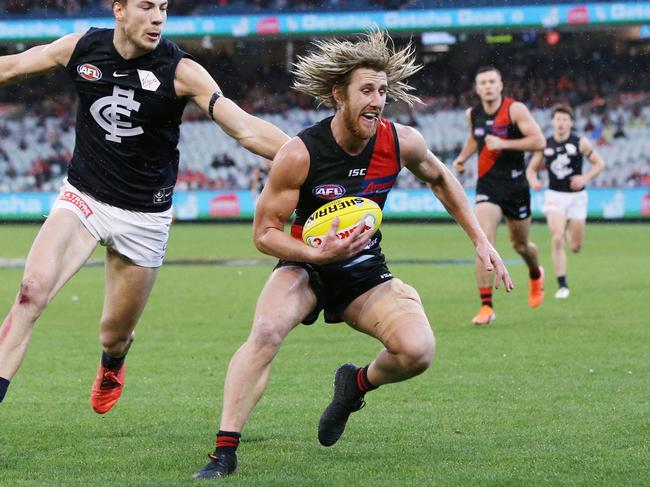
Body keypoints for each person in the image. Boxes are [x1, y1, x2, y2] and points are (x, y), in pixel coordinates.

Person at [193, 31, 513, 479]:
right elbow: (264, 234)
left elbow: (441, 178)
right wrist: (315, 254)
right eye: (367, 90)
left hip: (363, 270)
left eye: (383, 91)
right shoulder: (300, 152)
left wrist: (481, 240)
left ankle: (353, 386)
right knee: (265, 333)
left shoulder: (401, 141)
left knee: (418, 350)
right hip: (305, 265)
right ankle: (223, 452)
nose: (378, 100)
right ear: (337, 94)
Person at [0, 0, 289, 411]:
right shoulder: (81, 48)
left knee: (113, 334)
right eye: (146, 7)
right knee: (31, 293)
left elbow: (242, 127)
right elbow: (10, 67)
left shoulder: (180, 70)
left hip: (145, 217)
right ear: (119, 9)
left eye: (164, 8)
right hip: (84, 198)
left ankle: (113, 362)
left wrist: (308, 158)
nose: (157, 18)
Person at [452, 66, 546, 325]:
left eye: (492, 81)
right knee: (484, 242)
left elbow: (539, 142)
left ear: (501, 84)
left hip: (516, 187)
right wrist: (462, 158)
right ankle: (486, 307)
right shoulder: (473, 114)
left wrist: (504, 144)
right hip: (488, 187)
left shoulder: (515, 110)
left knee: (521, 245)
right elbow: (475, 138)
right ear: (477, 87)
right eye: (483, 83)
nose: (488, 86)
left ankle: (536, 273)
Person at [526, 104, 605, 299]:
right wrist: (534, 181)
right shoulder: (545, 144)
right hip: (555, 196)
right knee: (557, 237)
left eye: (564, 119)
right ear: (552, 122)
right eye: (557, 119)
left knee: (575, 246)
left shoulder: (581, 142)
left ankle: (569, 225)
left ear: (571, 123)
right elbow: (531, 169)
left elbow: (600, 164)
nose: (561, 123)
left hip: (577, 198)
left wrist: (584, 178)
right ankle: (562, 285)